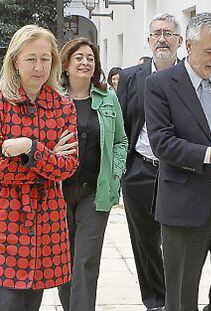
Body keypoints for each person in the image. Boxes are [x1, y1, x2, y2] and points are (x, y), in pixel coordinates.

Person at [145, 12, 211, 311]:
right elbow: (161, 142)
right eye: (209, 51)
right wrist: (209, 155)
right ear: (188, 46)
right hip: (182, 202)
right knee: (181, 295)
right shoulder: (160, 84)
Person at [0, 25, 79, 311]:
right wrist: (47, 158)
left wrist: (28, 148)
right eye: (31, 58)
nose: (39, 67)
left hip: (46, 219)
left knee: (32, 302)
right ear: (15, 61)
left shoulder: (64, 107)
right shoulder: (2, 104)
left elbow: (67, 167)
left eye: (45, 58)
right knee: (8, 301)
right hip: (6, 218)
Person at [116, 13, 182, 311]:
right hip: (140, 169)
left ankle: (178, 299)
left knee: (178, 241)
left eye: (168, 33)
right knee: (145, 242)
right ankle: (156, 301)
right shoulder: (131, 77)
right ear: (148, 40)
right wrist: (124, 171)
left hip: (179, 172)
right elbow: (121, 125)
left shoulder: (191, 76)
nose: (162, 38)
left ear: (180, 41)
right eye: (156, 33)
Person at [58, 38, 127, 311]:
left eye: (90, 58)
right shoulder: (52, 98)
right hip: (58, 192)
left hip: (95, 193)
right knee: (65, 261)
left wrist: (116, 171)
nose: (86, 62)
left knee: (85, 260)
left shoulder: (108, 98)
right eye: (79, 57)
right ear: (66, 64)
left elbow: (121, 140)